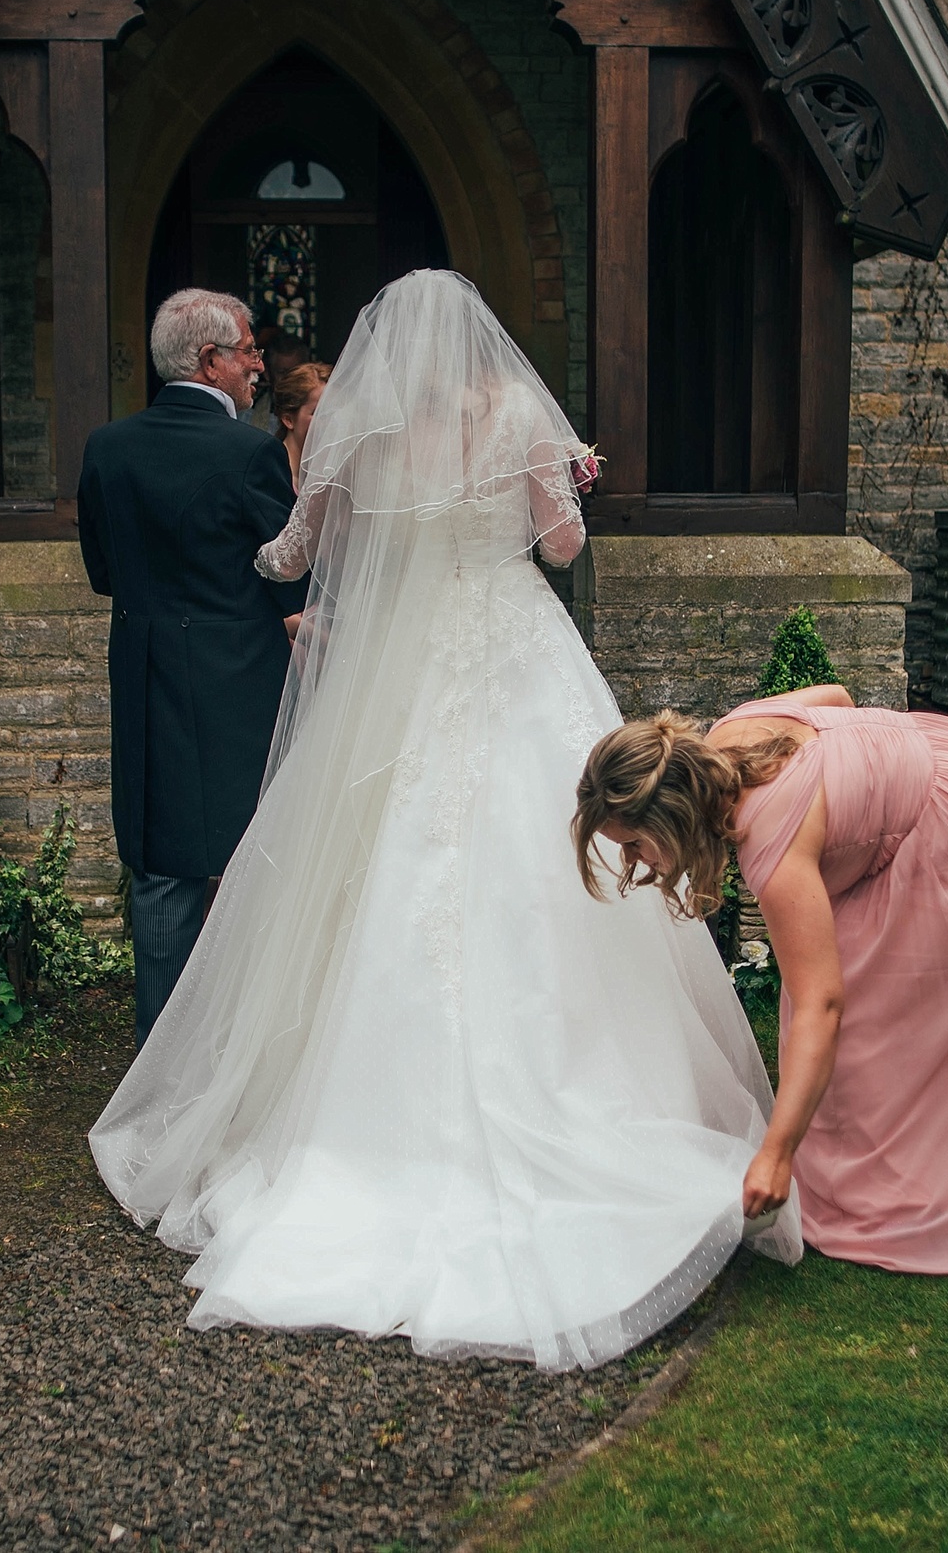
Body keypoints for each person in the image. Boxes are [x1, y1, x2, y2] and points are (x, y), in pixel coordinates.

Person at [90, 270, 800, 1365]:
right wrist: (570, 481)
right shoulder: (516, 414)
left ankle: (356, 1125)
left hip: (402, 672)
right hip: (517, 653)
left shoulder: (355, 426)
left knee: (379, 863)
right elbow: (560, 547)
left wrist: (249, 565)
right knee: (563, 859)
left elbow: (292, 551)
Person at [573, 685, 948, 1274]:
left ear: (677, 816)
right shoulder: (736, 729)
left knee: (897, 1013)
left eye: (635, 844)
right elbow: (837, 698)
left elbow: (822, 1005)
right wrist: (862, 790)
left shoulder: (771, 835)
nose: (633, 863)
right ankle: (906, 1175)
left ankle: (947, 1202)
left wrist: (776, 1154)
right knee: (868, 997)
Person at [76, 288, 307, 1044]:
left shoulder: (107, 449)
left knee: (162, 868)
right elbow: (293, 584)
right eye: (248, 351)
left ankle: (160, 1067)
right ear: (209, 362)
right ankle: (250, 1050)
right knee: (255, 862)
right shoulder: (249, 454)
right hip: (240, 687)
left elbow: (104, 572)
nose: (258, 368)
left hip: (147, 682)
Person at [272, 356, 331, 488]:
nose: (329, 421)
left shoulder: (330, 472)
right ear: (288, 419)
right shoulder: (273, 472)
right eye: (317, 413)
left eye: (332, 412)